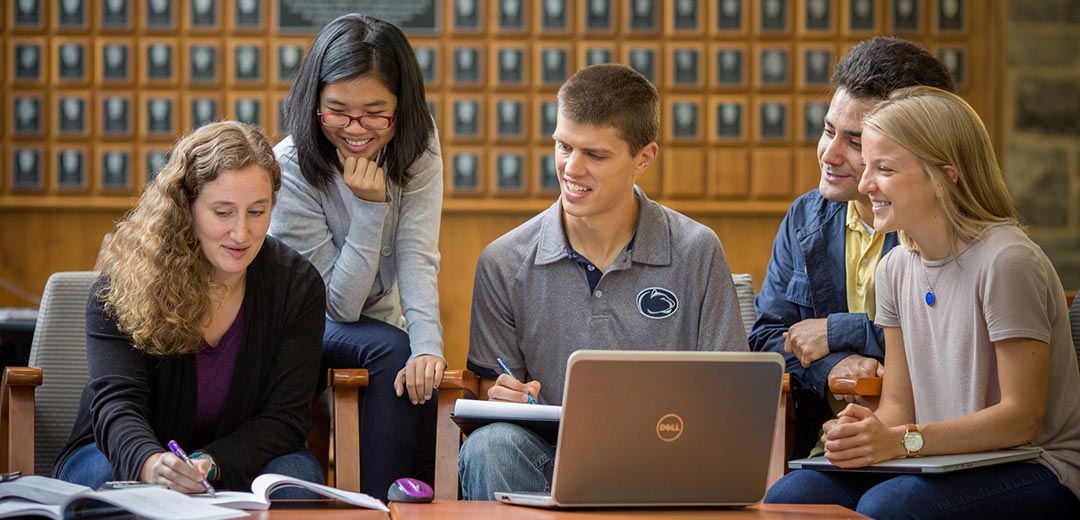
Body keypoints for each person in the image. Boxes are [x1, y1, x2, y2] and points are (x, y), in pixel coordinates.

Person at [766, 86, 1080, 517]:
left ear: (944, 175)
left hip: (1035, 464)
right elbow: (899, 404)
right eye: (867, 167)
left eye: (885, 169)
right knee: (790, 497)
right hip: (935, 459)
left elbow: (1020, 420)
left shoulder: (1008, 261)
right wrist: (865, 429)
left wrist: (899, 441)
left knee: (889, 506)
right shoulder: (896, 268)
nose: (864, 184)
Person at [458, 64, 747, 500]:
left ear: (644, 158)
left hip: (667, 463)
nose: (571, 168)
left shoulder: (697, 250)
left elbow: (730, 398)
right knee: (491, 447)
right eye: (563, 146)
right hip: (549, 467)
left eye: (595, 155)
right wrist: (501, 397)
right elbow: (490, 396)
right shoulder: (503, 262)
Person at [54, 121, 327, 497]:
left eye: (257, 211)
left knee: (297, 480)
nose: (242, 234)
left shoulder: (298, 286)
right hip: (124, 454)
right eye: (223, 212)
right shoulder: (122, 284)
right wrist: (151, 464)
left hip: (237, 459)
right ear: (187, 208)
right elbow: (117, 405)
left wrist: (209, 462)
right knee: (107, 482)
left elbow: (285, 418)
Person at [749, 37, 955, 459]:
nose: (830, 153)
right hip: (827, 442)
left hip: (931, 439)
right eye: (828, 131)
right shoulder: (805, 217)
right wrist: (831, 367)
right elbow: (767, 338)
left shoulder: (936, 227)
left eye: (856, 142)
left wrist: (836, 331)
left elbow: (945, 337)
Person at [269, 13, 444, 500]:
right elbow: (338, 307)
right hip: (301, 323)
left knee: (417, 363)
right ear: (314, 103)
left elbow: (417, 253)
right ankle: (374, 504)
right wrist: (370, 210)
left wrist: (429, 344)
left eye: (374, 112)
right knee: (391, 348)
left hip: (381, 325)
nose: (355, 129)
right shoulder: (292, 167)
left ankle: (416, 503)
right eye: (337, 111)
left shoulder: (418, 145)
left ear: (401, 107)